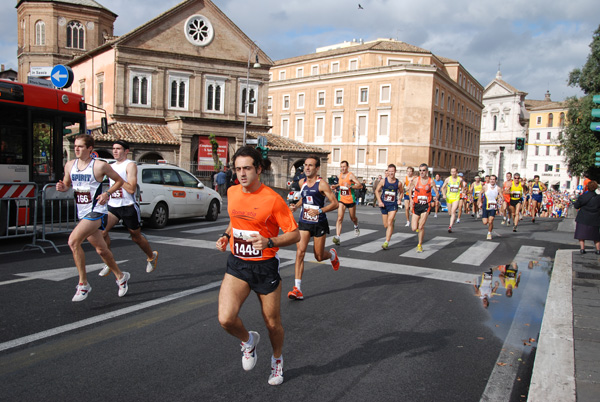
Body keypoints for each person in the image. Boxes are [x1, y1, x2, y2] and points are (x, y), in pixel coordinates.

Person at [216, 146, 300, 386]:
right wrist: (225, 235)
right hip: (238, 264)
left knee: (272, 323)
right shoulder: (232, 192)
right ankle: (248, 341)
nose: (242, 174)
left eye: (247, 168)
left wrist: (269, 241)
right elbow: (235, 221)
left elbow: (294, 234)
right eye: (238, 168)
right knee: (225, 319)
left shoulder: (273, 199)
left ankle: (277, 359)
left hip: (264, 268)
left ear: (259, 169)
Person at [56, 134, 130, 302]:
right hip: (82, 213)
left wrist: (107, 193)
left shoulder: (99, 166)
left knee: (73, 242)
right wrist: (62, 187)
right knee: (101, 250)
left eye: (80, 146)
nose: (76, 149)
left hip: (97, 211)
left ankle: (83, 284)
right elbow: (67, 185)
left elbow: (119, 181)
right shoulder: (70, 165)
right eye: (75, 146)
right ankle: (121, 276)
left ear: (90, 149)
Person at [99, 140, 159, 277]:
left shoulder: (130, 165)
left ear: (126, 151)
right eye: (113, 148)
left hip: (128, 206)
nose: (115, 151)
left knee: (136, 237)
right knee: (101, 233)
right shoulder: (110, 166)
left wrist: (117, 178)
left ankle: (151, 256)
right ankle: (109, 261)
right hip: (113, 206)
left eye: (118, 149)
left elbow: (131, 189)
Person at [288, 156, 340, 300]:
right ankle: (297, 288)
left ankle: (332, 255)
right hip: (304, 221)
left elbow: (335, 203)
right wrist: (296, 206)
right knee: (300, 252)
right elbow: (303, 198)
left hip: (319, 222)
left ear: (317, 168)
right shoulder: (301, 182)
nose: (307, 168)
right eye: (305, 165)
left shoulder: (322, 184)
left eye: (310, 165)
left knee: (318, 256)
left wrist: (320, 211)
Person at [331, 161, 362, 245]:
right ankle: (337, 236)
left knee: (353, 218)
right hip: (342, 199)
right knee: (340, 218)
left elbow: (360, 185)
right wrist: (336, 186)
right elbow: (341, 184)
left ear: (348, 167)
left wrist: (351, 186)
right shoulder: (339, 175)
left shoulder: (351, 175)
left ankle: (356, 226)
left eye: (344, 167)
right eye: (341, 166)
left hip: (350, 200)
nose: (342, 168)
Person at [408, 163, 435, 252]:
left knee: (421, 227)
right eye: (420, 170)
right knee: (413, 228)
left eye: (423, 170)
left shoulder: (431, 181)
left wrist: (435, 198)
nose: (422, 172)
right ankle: (418, 226)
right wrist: (411, 199)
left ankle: (419, 245)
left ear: (427, 171)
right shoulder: (416, 180)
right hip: (417, 205)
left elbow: (436, 192)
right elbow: (410, 189)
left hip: (426, 205)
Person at [375, 164, 403, 250]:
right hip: (384, 204)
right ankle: (391, 224)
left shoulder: (398, 183)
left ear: (395, 172)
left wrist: (399, 199)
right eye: (389, 171)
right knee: (386, 225)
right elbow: (377, 191)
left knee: (390, 222)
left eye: (392, 171)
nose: (391, 173)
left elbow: (402, 192)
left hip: (393, 205)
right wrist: (379, 201)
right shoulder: (383, 181)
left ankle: (386, 242)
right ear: (387, 172)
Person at [573, 180, 600, 254]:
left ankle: (582, 248)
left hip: (583, 217)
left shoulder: (583, 197)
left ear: (587, 187)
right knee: (596, 235)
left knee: (581, 234)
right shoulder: (598, 198)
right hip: (595, 218)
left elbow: (576, 206)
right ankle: (598, 249)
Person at [441, 167, 464, 233]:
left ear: (457, 172)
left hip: (456, 198)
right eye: (452, 172)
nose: (453, 173)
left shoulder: (460, 179)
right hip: (449, 198)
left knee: (453, 211)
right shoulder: (448, 179)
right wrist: (444, 194)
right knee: (450, 213)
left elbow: (462, 187)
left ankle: (450, 226)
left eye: (454, 172)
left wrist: (462, 192)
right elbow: (442, 188)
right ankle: (452, 219)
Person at [478, 174, 500, 240]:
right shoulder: (485, 187)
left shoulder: (498, 188)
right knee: (485, 222)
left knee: (491, 221)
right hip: (485, 205)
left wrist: (501, 201)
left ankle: (489, 233)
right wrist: (480, 202)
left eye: (493, 179)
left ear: (496, 180)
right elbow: (480, 193)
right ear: (489, 180)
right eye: (491, 179)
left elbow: (502, 196)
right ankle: (490, 226)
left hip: (493, 206)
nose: (492, 181)